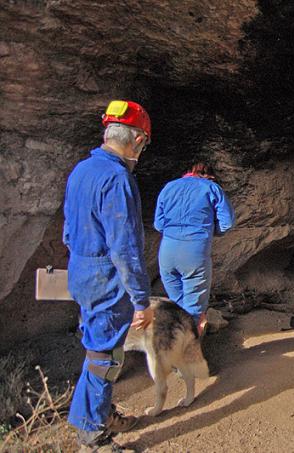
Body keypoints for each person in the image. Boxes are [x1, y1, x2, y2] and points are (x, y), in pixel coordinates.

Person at [63, 100, 154, 451]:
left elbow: (69, 231)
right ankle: (92, 433)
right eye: (143, 144)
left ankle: (99, 412)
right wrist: (141, 300)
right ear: (137, 140)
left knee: (97, 348)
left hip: (82, 271)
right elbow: (125, 249)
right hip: (107, 278)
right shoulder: (117, 179)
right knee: (105, 358)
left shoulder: (81, 171)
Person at [154, 162, 234, 335]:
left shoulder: (168, 187)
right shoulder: (212, 188)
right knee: (193, 313)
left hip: (167, 252)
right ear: (209, 175)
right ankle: (186, 357)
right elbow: (227, 223)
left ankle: (172, 353)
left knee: (177, 306)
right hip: (194, 253)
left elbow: (159, 224)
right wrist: (208, 231)